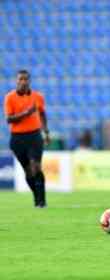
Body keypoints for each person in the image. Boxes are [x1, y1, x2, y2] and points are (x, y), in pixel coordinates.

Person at [3, 70, 50, 208]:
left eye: (25, 79)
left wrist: (46, 132)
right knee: (28, 171)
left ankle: (42, 201)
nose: (23, 81)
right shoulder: (10, 97)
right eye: (20, 79)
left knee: (36, 167)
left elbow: (42, 113)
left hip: (34, 136)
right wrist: (26, 113)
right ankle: (37, 197)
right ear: (16, 81)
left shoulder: (38, 97)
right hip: (17, 138)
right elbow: (9, 119)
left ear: (29, 81)